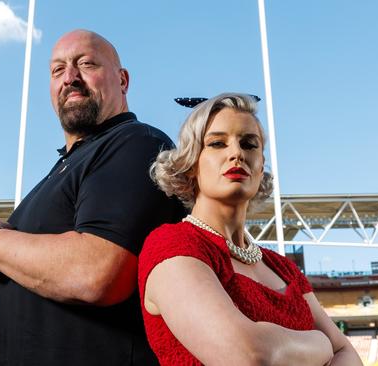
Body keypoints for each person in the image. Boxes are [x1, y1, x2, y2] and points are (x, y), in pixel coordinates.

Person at [0, 29, 184, 365]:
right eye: (58, 70)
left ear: (122, 80)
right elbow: (36, 295)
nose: (70, 77)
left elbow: (97, 274)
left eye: (86, 64)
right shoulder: (59, 171)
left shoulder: (136, 143)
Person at [138, 93, 362, 365]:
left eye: (249, 144)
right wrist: (323, 343)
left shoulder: (284, 268)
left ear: (260, 166)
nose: (237, 154)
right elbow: (250, 355)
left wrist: (320, 349)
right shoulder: (171, 244)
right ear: (191, 163)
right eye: (217, 143)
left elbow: (349, 355)